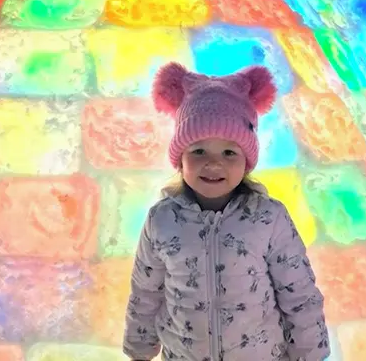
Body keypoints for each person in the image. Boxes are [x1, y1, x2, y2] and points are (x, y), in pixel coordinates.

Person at [123, 62, 330, 361]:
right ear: (180, 159)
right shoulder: (162, 220)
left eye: (229, 152)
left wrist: (310, 353)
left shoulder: (268, 218)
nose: (213, 163)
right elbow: (145, 290)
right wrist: (139, 349)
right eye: (199, 151)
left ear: (246, 161)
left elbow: (298, 292)